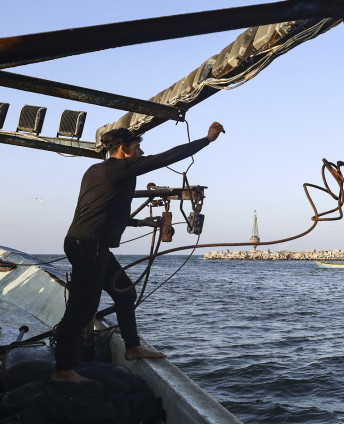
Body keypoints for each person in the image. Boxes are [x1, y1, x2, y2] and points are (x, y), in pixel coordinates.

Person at [52, 122, 226, 382]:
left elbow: (103, 208)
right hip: (89, 245)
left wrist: (139, 223)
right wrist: (207, 140)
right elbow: (168, 157)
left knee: (125, 291)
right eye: (137, 148)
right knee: (82, 307)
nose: (142, 152)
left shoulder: (95, 171)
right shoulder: (119, 169)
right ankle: (63, 370)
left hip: (87, 242)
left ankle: (132, 347)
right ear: (123, 150)